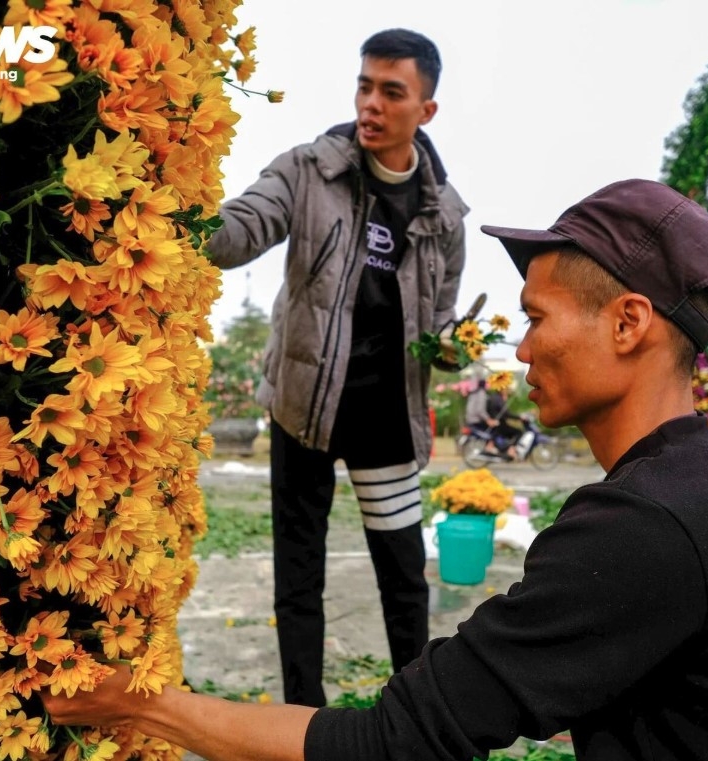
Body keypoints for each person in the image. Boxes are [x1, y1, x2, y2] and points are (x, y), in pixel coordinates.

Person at [43, 179, 708, 760]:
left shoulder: (644, 526)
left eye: (535, 319)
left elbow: (387, 743)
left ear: (629, 322)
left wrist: (139, 704)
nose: (522, 348)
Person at [203, 29, 468, 707]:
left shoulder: (444, 216)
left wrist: (451, 345)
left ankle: (415, 713)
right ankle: (302, 717)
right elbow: (243, 227)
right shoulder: (306, 171)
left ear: (425, 110)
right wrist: (184, 218)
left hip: (385, 418)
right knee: (300, 575)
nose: (370, 104)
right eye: (363, 85)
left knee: (403, 574)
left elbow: (438, 319)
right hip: (303, 408)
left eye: (391, 91)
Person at [464, 379, 520, 459]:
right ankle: (490, 446)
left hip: (471, 418)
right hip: (476, 419)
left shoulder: (475, 394)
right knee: (496, 426)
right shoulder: (481, 394)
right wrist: (488, 420)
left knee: (496, 425)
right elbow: (480, 411)